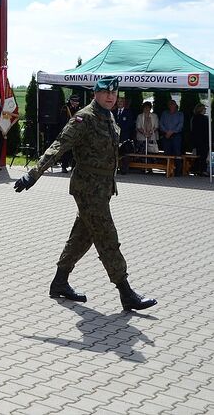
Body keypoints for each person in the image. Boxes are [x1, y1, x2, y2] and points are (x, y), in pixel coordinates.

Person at [14, 76, 157, 312]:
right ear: (95, 94)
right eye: (105, 93)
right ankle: (126, 292)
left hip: (102, 187)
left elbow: (98, 151)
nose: (111, 97)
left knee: (82, 236)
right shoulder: (84, 118)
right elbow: (59, 145)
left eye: (114, 93)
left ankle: (59, 282)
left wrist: (120, 151)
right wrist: (33, 174)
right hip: (88, 188)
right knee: (107, 237)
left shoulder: (108, 117)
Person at [159, 99, 184, 175]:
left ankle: (178, 171)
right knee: (167, 152)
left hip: (176, 135)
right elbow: (161, 124)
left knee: (177, 153)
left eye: (173, 104)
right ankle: (167, 169)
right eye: (170, 104)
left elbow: (180, 125)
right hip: (166, 135)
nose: (171, 106)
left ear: (176, 105)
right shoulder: (164, 113)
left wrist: (172, 131)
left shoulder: (180, 114)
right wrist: (166, 131)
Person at [58, 94, 81, 172]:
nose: (77, 103)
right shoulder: (65, 108)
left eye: (77, 102)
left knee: (75, 151)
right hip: (67, 132)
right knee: (65, 150)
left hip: (76, 132)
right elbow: (62, 121)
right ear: (71, 101)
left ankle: (73, 167)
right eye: (75, 101)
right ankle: (64, 167)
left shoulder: (79, 109)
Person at [114, 97, 136, 173]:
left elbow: (130, 124)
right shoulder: (113, 112)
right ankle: (115, 168)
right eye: (118, 101)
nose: (119, 103)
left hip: (124, 135)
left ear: (124, 103)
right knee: (115, 152)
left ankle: (124, 169)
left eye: (121, 102)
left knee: (124, 153)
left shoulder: (128, 112)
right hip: (115, 136)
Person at [189, 103, 210, 176]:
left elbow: (192, 130)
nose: (205, 110)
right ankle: (202, 170)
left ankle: (196, 169)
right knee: (203, 156)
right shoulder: (205, 119)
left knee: (197, 155)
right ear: (201, 109)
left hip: (196, 140)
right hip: (204, 140)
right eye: (204, 109)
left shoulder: (194, 118)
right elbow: (207, 130)